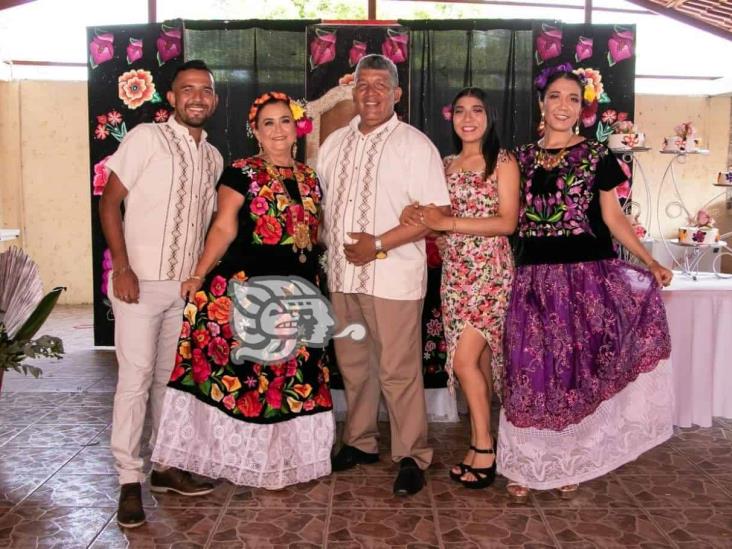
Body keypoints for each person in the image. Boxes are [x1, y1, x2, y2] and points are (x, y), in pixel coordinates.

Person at [497, 66, 674, 502]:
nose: (563, 105)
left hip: (585, 281)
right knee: (528, 371)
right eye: (555, 96)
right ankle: (526, 462)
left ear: (583, 108)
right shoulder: (517, 158)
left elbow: (613, 218)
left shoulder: (598, 158)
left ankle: (568, 460)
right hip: (533, 279)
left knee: (573, 372)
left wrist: (649, 260)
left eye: (573, 99)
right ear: (541, 103)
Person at [151, 91, 335, 491]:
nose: (278, 130)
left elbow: (313, 234)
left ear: (297, 127)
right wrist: (198, 274)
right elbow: (223, 227)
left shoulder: (309, 177)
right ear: (255, 131)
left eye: (284, 121)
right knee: (252, 377)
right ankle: (232, 460)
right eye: (267, 123)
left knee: (290, 376)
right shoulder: (240, 172)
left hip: (298, 292)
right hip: (250, 291)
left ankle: (285, 461)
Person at [317, 54, 451, 496]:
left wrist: (376, 244)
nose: (370, 93)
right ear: (352, 91)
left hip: (393, 278)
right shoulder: (335, 143)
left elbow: (437, 216)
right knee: (355, 366)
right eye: (363, 84)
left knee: (397, 369)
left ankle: (412, 453)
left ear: (397, 93)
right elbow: (323, 208)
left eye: (380, 85)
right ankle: (359, 442)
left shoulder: (416, 145)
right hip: (343, 278)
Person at [99, 59, 223, 528]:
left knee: (167, 381)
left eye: (205, 90)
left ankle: (165, 467)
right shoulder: (145, 139)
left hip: (181, 288)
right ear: (171, 97)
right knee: (134, 379)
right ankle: (129, 480)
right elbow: (110, 201)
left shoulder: (211, 157)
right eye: (187, 89)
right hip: (139, 284)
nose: (197, 97)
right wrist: (122, 267)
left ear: (213, 99)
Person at [401, 87, 519, 489]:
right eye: (461, 111)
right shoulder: (446, 164)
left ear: (490, 117)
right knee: (479, 363)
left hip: (489, 271)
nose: (469, 118)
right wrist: (419, 217)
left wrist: (449, 225)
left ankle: (485, 447)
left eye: (478, 110)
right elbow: (436, 220)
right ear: (451, 118)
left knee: (465, 361)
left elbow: (506, 223)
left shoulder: (501, 161)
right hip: (455, 274)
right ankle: (479, 441)